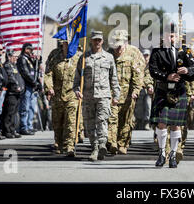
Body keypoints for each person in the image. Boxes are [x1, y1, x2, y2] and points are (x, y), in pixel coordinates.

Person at [149, 23, 194, 168]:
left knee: (176, 125)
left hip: (179, 91)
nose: (170, 38)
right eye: (167, 36)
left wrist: (187, 70)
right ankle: (161, 153)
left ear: (176, 36)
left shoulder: (184, 50)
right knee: (161, 123)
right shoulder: (157, 51)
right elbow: (153, 70)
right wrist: (167, 76)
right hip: (163, 91)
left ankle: (172, 155)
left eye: (172, 36)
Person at [73, 30, 120, 161]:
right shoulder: (84, 58)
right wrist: (77, 90)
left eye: (99, 40)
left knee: (102, 120)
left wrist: (116, 95)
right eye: (95, 40)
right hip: (87, 96)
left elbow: (114, 78)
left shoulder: (109, 57)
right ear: (91, 41)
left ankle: (102, 144)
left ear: (102, 41)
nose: (97, 42)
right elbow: (77, 79)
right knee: (89, 124)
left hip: (104, 95)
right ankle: (94, 148)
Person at [107, 30, 145, 155]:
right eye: (115, 45)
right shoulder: (108, 54)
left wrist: (136, 90)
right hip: (112, 95)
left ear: (125, 42)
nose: (117, 48)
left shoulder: (134, 53)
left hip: (129, 94)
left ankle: (122, 144)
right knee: (112, 119)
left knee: (126, 121)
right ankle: (112, 142)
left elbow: (139, 74)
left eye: (120, 45)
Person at [44, 39, 82, 157]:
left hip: (73, 94)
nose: (67, 45)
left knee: (71, 121)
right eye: (66, 43)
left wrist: (83, 90)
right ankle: (59, 143)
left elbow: (84, 74)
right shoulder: (54, 55)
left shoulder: (79, 57)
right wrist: (49, 87)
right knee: (57, 122)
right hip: (57, 95)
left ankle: (70, 146)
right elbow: (48, 73)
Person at [17, 43, 42, 135]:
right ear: (26, 50)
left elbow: (34, 70)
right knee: (25, 107)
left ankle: (28, 126)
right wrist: (34, 82)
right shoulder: (22, 59)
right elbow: (26, 73)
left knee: (30, 107)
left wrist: (38, 61)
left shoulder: (28, 59)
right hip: (26, 85)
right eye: (30, 50)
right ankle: (23, 127)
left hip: (31, 86)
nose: (32, 51)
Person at [1, 49, 25, 139]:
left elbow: (18, 77)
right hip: (11, 92)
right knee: (9, 113)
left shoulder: (14, 65)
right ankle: (6, 131)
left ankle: (12, 130)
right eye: (14, 56)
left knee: (14, 113)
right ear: (9, 57)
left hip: (17, 93)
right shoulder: (7, 65)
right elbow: (11, 77)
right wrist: (16, 86)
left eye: (16, 56)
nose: (16, 58)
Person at [135, 49, 154, 131]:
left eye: (147, 55)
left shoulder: (152, 65)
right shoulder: (139, 64)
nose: (145, 57)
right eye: (144, 55)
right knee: (138, 106)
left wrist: (150, 85)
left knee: (148, 105)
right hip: (140, 88)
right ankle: (138, 122)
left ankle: (147, 122)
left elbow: (151, 77)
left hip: (149, 88)